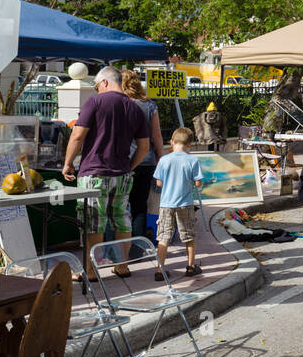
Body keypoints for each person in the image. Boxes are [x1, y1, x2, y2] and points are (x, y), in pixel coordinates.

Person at [62, 66, 149, 278]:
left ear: (105, 82)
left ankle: (90, 271)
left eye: (96, 86)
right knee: (122, 218)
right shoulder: (136, 108)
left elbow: (77, 136)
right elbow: (144, 147)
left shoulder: (95, 102)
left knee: (93, 221)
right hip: (122, 173)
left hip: (93, 172)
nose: (95, 89)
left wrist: (68, 163)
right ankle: (122, 266)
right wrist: (129, 166)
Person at [152, 127, 204, 277]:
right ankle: (191, 266)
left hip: (166, 204)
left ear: (172, 142)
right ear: (190, 144)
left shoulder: (164, 160)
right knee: (189, 235)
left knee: (163, 237)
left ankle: (159, 270)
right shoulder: (193, 160)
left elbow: (159, 183)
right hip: (185, 204)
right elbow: (198, 183)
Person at [121, 70, 166, 240]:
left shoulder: (120, 104)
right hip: (146, 161)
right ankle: (138, 244)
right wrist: (160, 157)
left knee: (120, 205)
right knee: (140, 205)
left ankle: (121, 244)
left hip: (124, 161)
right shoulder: (150, 105)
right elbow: (157, 136)